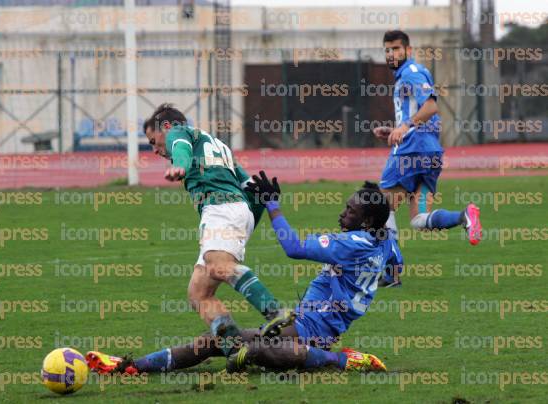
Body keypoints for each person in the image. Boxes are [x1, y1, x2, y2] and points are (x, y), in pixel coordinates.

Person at [86, 174, 400, 375]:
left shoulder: (353, 244)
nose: (343, 213)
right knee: (218, 342)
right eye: (346, 206)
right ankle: (131, 367)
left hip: (313, 327)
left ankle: (341, 361)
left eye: (351, 211)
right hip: (306, 323)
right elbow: (394, 266)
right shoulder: (384, 240)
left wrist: (274, 205)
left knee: (255, 350)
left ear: (366, 221)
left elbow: (292, 247)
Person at [143, 104, 291, 355]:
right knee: (199, 293)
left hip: (220, 209)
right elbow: (248, 184)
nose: (155, 150)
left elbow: (180, 148)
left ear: (167, 127)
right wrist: (266, 200)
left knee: (218, 267)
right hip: (236, 210)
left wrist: (180, 165)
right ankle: (235, 348)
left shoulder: (180, 134)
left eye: (154, 141)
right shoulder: (217, 145)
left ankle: (275, 312)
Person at [372, 30, 482, 286]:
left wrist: (405, 127)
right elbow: (422, 112)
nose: (391, 54)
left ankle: (391, 272)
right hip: (430, 152)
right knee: (419, 219)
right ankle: (463, 216)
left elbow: (431, 105)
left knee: (380, 207)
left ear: (408, 50)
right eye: (387, 50)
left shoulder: (411, 72)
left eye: (397, 49)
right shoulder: (413, 74)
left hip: (412, 150)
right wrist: (396, 129)